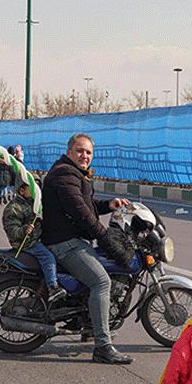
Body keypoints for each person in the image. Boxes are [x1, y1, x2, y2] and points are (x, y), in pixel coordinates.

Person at [42, 133, 133, 365]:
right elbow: (81, 215)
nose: (85, 156)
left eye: (89, 152)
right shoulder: (65, 174)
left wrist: (108, 205)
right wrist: (107, 240)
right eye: (81, 151)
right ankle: (103, 347)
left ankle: (88, 324)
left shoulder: (72, 173)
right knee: (101, 282)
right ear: (70, 151)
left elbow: (86, 206)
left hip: (70, 238)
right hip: (65, 242)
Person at [3, 174, 67, 303]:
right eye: (32, 188)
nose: (36, 191)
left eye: (38, 187)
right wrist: (24, 229)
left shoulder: (34, 204)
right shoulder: (14, 208)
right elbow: (12, 232)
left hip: (36, 238)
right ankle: (53, 287)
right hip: (26, 243)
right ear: (21, 190)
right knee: (47, 257)